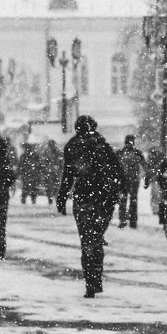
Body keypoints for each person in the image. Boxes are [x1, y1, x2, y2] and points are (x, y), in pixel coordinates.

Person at [57, 116, 124, 298]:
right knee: (96, 238)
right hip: (104, 199)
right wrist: (119, 189)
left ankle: (90, 281)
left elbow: (68, 174)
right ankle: (96, 276)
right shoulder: (102, 145)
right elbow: (117, 170)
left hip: (84, 198)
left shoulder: (72, 146)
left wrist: (62, 197)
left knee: (87, 240)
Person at [116, 134, 147, 229]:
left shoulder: (122, 153)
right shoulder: (134, 152)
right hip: (127, 179)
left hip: (130, 180)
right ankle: (127, 220)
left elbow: (144, 166)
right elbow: (144, 165)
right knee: (127, 200)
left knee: (127, 200)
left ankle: (127, 220)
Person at [146, 147, 165, 219]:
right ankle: (157, 209)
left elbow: (149, 170)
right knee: (157, 195)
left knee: (157, 195)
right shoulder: (158, 159)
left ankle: (157, 208)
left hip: (158, 179)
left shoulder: (153, 160)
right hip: (157, 179)